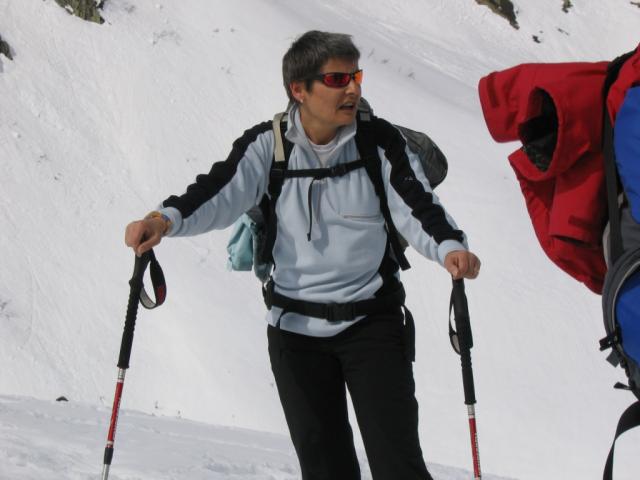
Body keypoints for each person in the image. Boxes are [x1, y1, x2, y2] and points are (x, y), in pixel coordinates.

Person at [125, 30, 480, 480]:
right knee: (325, 469)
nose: (352, 89)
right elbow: (217, 191)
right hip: (294, 333)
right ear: (299, 89)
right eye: (337, 79)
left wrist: (450, 248)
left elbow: (418, 205)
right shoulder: (268, 146)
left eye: (355, 77)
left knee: (398, 467)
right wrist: (163, 220)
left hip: (373, 326)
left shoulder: (379, 142)